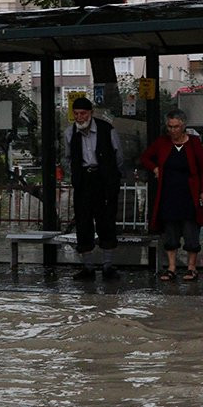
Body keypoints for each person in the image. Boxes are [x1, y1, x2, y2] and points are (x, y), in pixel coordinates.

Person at [141, 109, 203, 281]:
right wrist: (156, 168)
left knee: (190, 229)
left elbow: (202, 168)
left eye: (176, 127)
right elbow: (145, 158)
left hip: (189, 193)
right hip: (168, 193)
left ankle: (191, 267)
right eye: (170, 127)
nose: (173, 131)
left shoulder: (194, 143)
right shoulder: (162, 142)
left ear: (183, 126)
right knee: (170, 230)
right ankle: (171, 267)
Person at [63, 97, 124, 281]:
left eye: (83, 114)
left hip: (103, 180)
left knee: (106, 221)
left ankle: (107, 266)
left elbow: (118, 156)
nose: (80, 118)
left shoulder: (107, 130)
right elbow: (66, 158)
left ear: (91, 113)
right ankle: (88, 267)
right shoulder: (70, 133)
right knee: (83, 222)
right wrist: (75, 174)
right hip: (83, 180)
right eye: (76, 114)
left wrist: (111, 176)